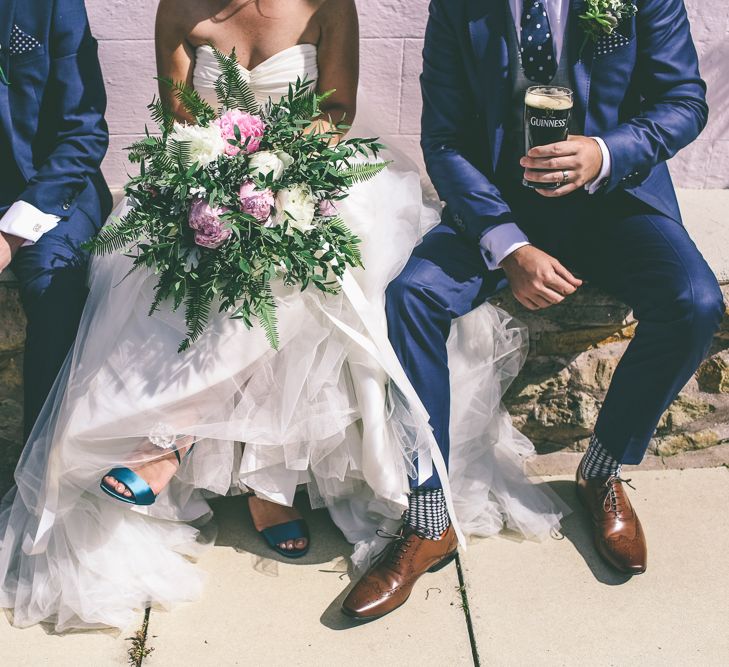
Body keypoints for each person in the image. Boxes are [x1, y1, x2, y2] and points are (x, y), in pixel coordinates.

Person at [0, 0, 563, 632]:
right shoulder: (179, 8)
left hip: (315, 177)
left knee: (293, 267)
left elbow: (336, 111)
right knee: (213, 261)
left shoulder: (328, 7)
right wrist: (224, 181)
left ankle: (178, 443)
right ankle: (264, 484)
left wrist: (276, 179)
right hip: (207, 175)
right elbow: (178, 114)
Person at [344, 0, 724, 619]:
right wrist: (507, 244)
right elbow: (444, 137)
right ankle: (428, 513)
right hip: (499, 205)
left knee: (696, 302)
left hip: (615, 199)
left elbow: (683, 101)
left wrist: (606, 152)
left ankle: (600, 470)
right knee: (410, 297)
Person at [0, 0, 112, 437]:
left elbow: (83, 132)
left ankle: (36, 474)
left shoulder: (51, 4)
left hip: (44, 184)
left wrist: (10, 235)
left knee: (56, 286)